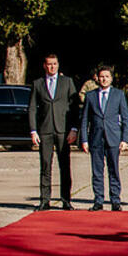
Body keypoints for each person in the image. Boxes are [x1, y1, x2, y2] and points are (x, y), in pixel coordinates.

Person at [28, 53, 78, 211]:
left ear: (58, 65)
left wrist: (74, 129)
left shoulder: (67, 82)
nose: (52, 67)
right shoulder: (37, 84)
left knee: (65, 166)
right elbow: (31, 109)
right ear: (44, 66)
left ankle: (66, 200)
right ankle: (45, 200)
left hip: (63, 131)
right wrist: (33, 130)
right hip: (45, 130)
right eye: (49, 64)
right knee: (45, 165)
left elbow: (74, 107)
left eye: (55, 64)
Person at [80, 65, 128, 211]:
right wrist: (84, 140)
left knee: (113, 170)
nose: (104, 79)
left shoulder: (118, 95)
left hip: (113, 138)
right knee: (97, 171)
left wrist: (124, 139)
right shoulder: (90, 96)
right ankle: (98, 200)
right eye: (102, 76)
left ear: (111, 78)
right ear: (97, 78)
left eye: (107, 76)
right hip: (95, 139)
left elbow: (125, 118)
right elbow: (84, 120)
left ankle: (115, 200)